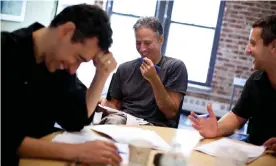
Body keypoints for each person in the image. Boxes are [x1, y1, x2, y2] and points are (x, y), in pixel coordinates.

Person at [2, 4, 122, 166]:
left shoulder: (60, 67)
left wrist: (101, 75)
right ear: (67, 31)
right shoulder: (6, 51)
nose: (73, 69)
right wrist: (78, 152)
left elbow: (76, 120)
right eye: (78, 58)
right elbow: (6, 139)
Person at [188, 15, 276, 153]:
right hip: (254, 152)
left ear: (274, 46)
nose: (247, 50)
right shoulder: (256, 80)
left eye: (253, 43)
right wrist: (217, 128)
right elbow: (237, 116)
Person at [100, 16, 188, 128]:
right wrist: (101, 103)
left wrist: (153, 78)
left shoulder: (175, 67)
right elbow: (113, 106)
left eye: (147, 43)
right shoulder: (124, 69)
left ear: (161, 40)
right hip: (123, 122)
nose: (142, 49)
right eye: (138, 43)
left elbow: (170, 112)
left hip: (156, 128)